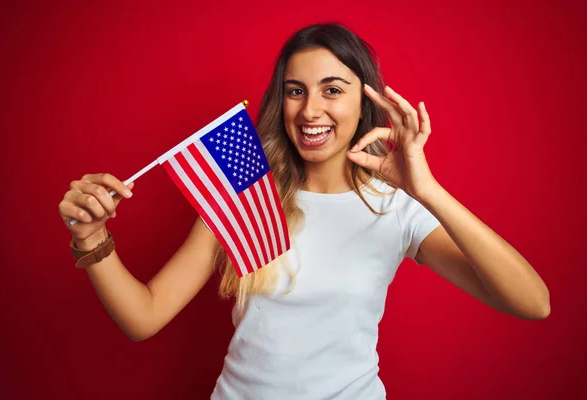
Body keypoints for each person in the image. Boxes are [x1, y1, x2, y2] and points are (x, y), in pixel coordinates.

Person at [58, 22, 550, 399]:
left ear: (364, 104)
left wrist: (426, 190)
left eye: (333, 90)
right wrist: (90, 237)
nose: (311, 109)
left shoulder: (396, 209)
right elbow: (143, 317)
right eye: (297, 91)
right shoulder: (245, 193)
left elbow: (532, 303)